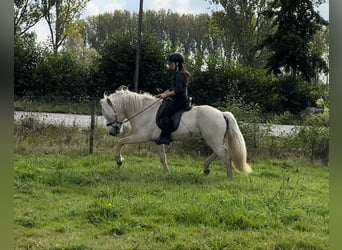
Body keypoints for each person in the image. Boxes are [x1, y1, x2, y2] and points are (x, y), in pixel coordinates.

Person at [155, 52, 191, 145]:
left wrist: (166, 95)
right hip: (181, 99)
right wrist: (162, 94)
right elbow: (172, 88)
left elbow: (178, 90)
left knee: (164, 113)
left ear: (177, 63)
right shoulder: (179, 73)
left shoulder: (178, 74)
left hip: (180, 100)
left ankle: (167, 137)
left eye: (171, 63)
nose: (170, 65)